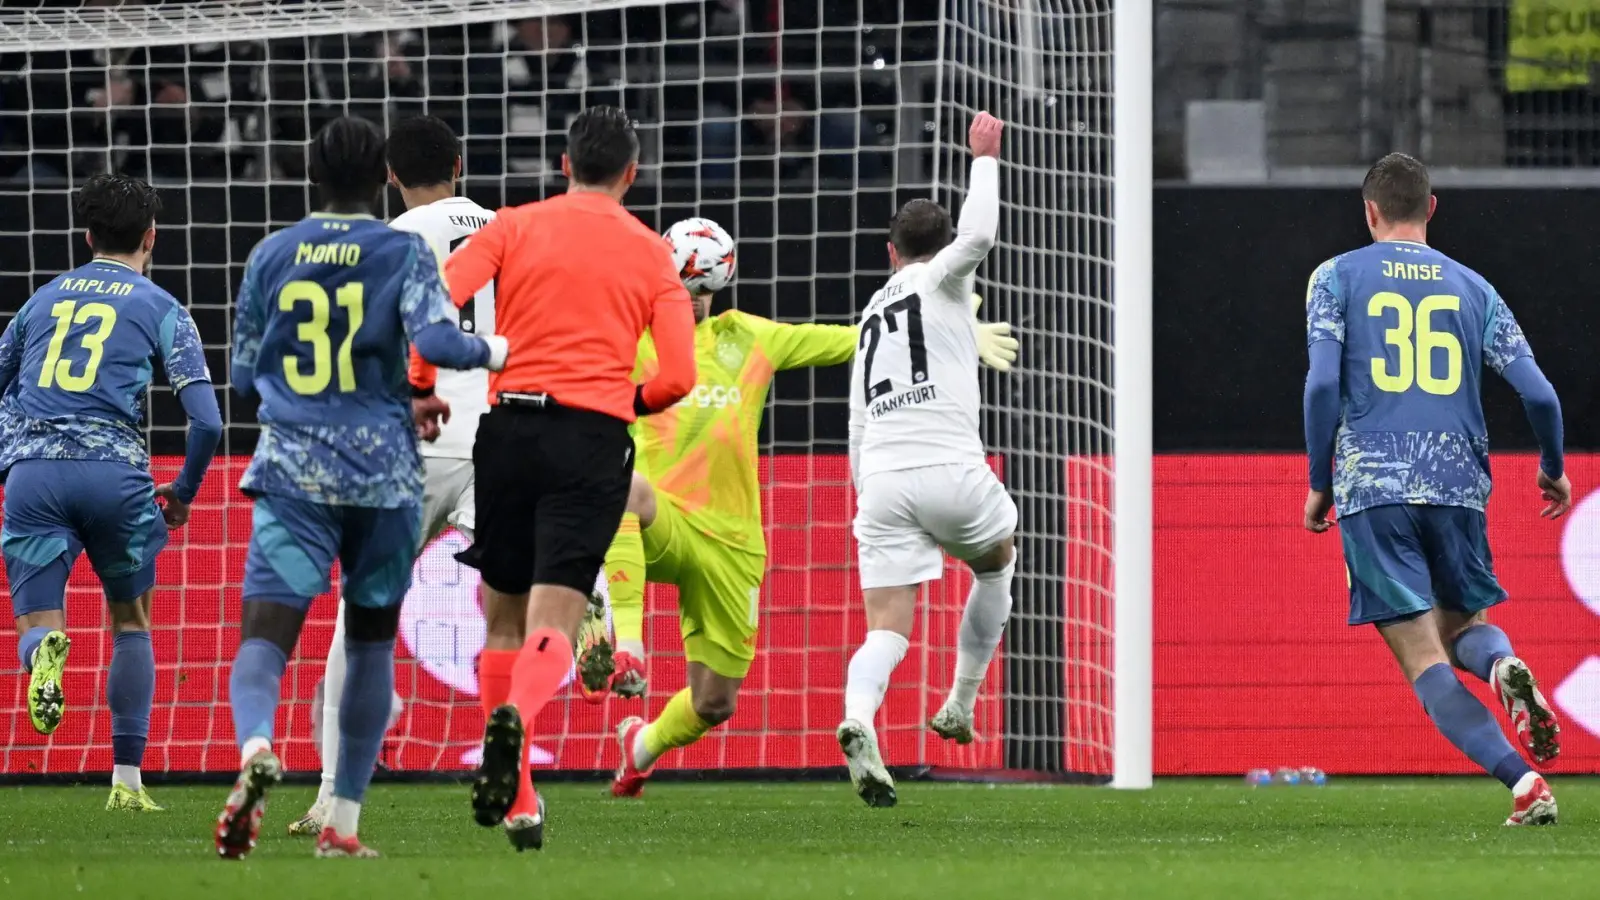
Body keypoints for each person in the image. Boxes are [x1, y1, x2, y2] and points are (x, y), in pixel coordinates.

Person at [596, 218, 1019, 800]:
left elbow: (860, 338)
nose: (691, 301)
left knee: (713, 702)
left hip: (732, 544)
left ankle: (641, 747)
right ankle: (621, 640)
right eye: (681, 287)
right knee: (619, 487)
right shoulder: (627, 342)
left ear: (716, 285)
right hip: (659, 519)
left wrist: (956, 327)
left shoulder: (749, 339)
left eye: (699, 290)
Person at [288, 114, 613, 836]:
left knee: (362, 614)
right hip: (503, 435)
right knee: (518, 618)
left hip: (417, 434)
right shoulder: (516, 227)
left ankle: (333, 791)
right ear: (460, 166)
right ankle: (524, 782)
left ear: (389, 177)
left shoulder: (392, 240)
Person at [215, 116, 506, 860]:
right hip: (384, 472)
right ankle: (343, 823)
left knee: (266, 636)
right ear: (380, 177)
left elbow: (245, 379)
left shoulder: (272, 254)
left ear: (311, 175)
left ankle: (255, 747)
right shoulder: (400, 249)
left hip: (295, 472)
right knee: (373, 641)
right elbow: (437, 345)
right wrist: (493, 349)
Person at [421, 104, 695, 851]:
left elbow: (436, 301)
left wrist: (421, 381)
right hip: (592, 438)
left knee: (501, 619)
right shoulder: (650, 255)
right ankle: (519, 726)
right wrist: (624, 402)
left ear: (564, 164)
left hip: (507, 429)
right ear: (632, 175)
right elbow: (678, 378)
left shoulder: (512, 224)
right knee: (556, 623)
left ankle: (518, 800)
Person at [1302, 152, 1568, 826]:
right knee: (1466, 630)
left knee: (1424, 659)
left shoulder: (1334, 277)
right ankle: (1503, 663)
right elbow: (1539, 392)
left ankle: (1523, 782)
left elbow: (1324, 384)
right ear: (1432, 207)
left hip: (1376, 482)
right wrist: (1553, 464)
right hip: (1457, 483)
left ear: (1369, 212)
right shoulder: (1474, 288)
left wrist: (1318, 481)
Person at [0, 173, 221, 812]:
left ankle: (45, 650)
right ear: (151, 237)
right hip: (116, 478)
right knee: (131, 623)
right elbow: (207, 421)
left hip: (35, 477)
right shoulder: (161, 307)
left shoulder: (41, 301)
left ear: (88, 234)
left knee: (39, 617)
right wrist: (181, 492)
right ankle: (127, 782)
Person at [836, 112, 1016, 808]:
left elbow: (854, 418)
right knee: (999, 557)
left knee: (886, 626)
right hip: (949, 468)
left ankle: (858, 716)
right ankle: (961, 704)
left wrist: (865, 495)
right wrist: (983, 159)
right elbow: (980, 234)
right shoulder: (944, 279)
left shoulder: (871, 315)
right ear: (938, 253)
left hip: (879, 478)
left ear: (889, 253)